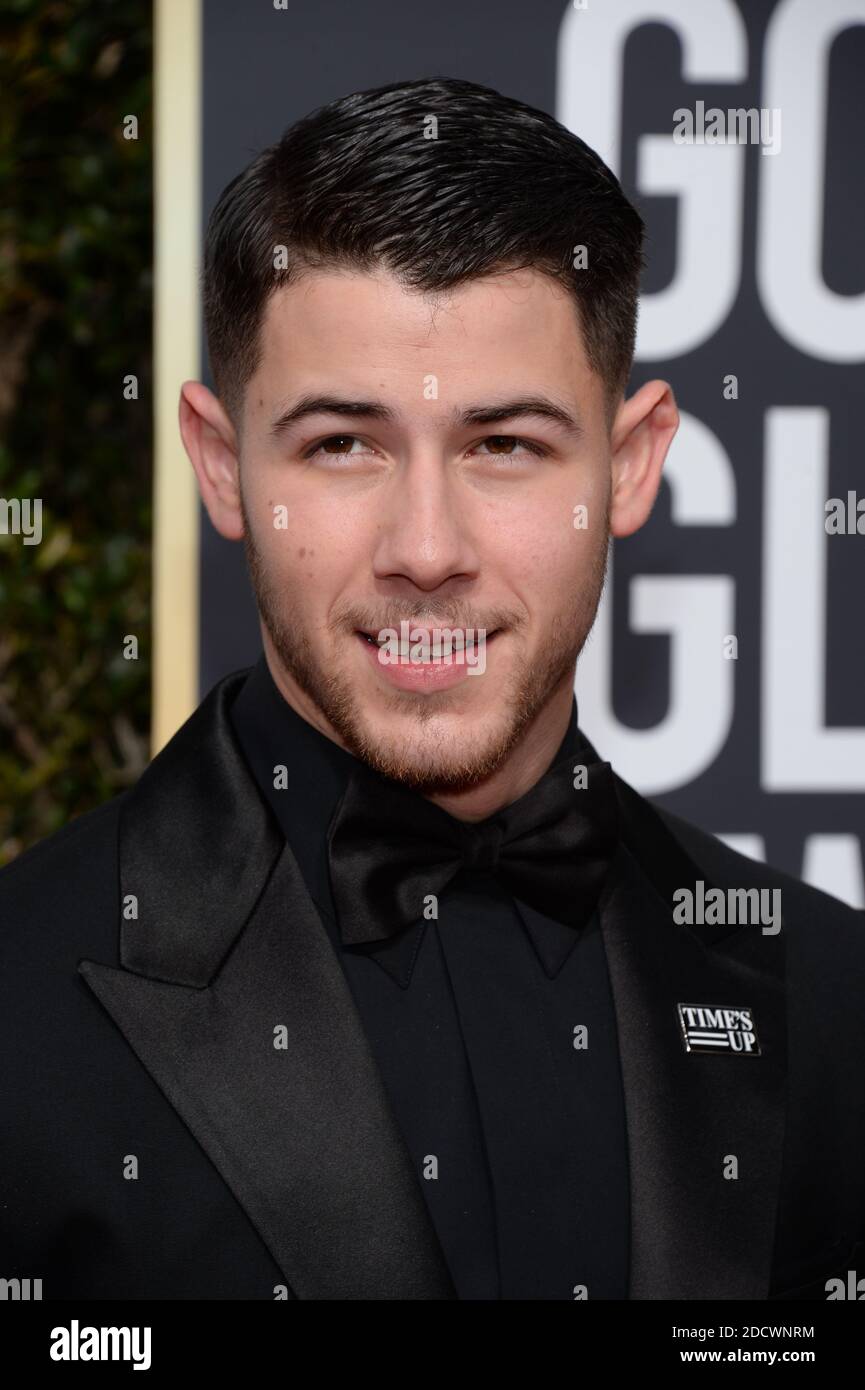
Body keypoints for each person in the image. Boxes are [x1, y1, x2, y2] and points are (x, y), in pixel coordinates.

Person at [1, 77, 863, 1302]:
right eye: (341, 444)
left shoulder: (827, 998)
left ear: (627, 466)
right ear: (220, 462)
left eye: (504, 445)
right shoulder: (19, 1006)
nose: (424, 546)